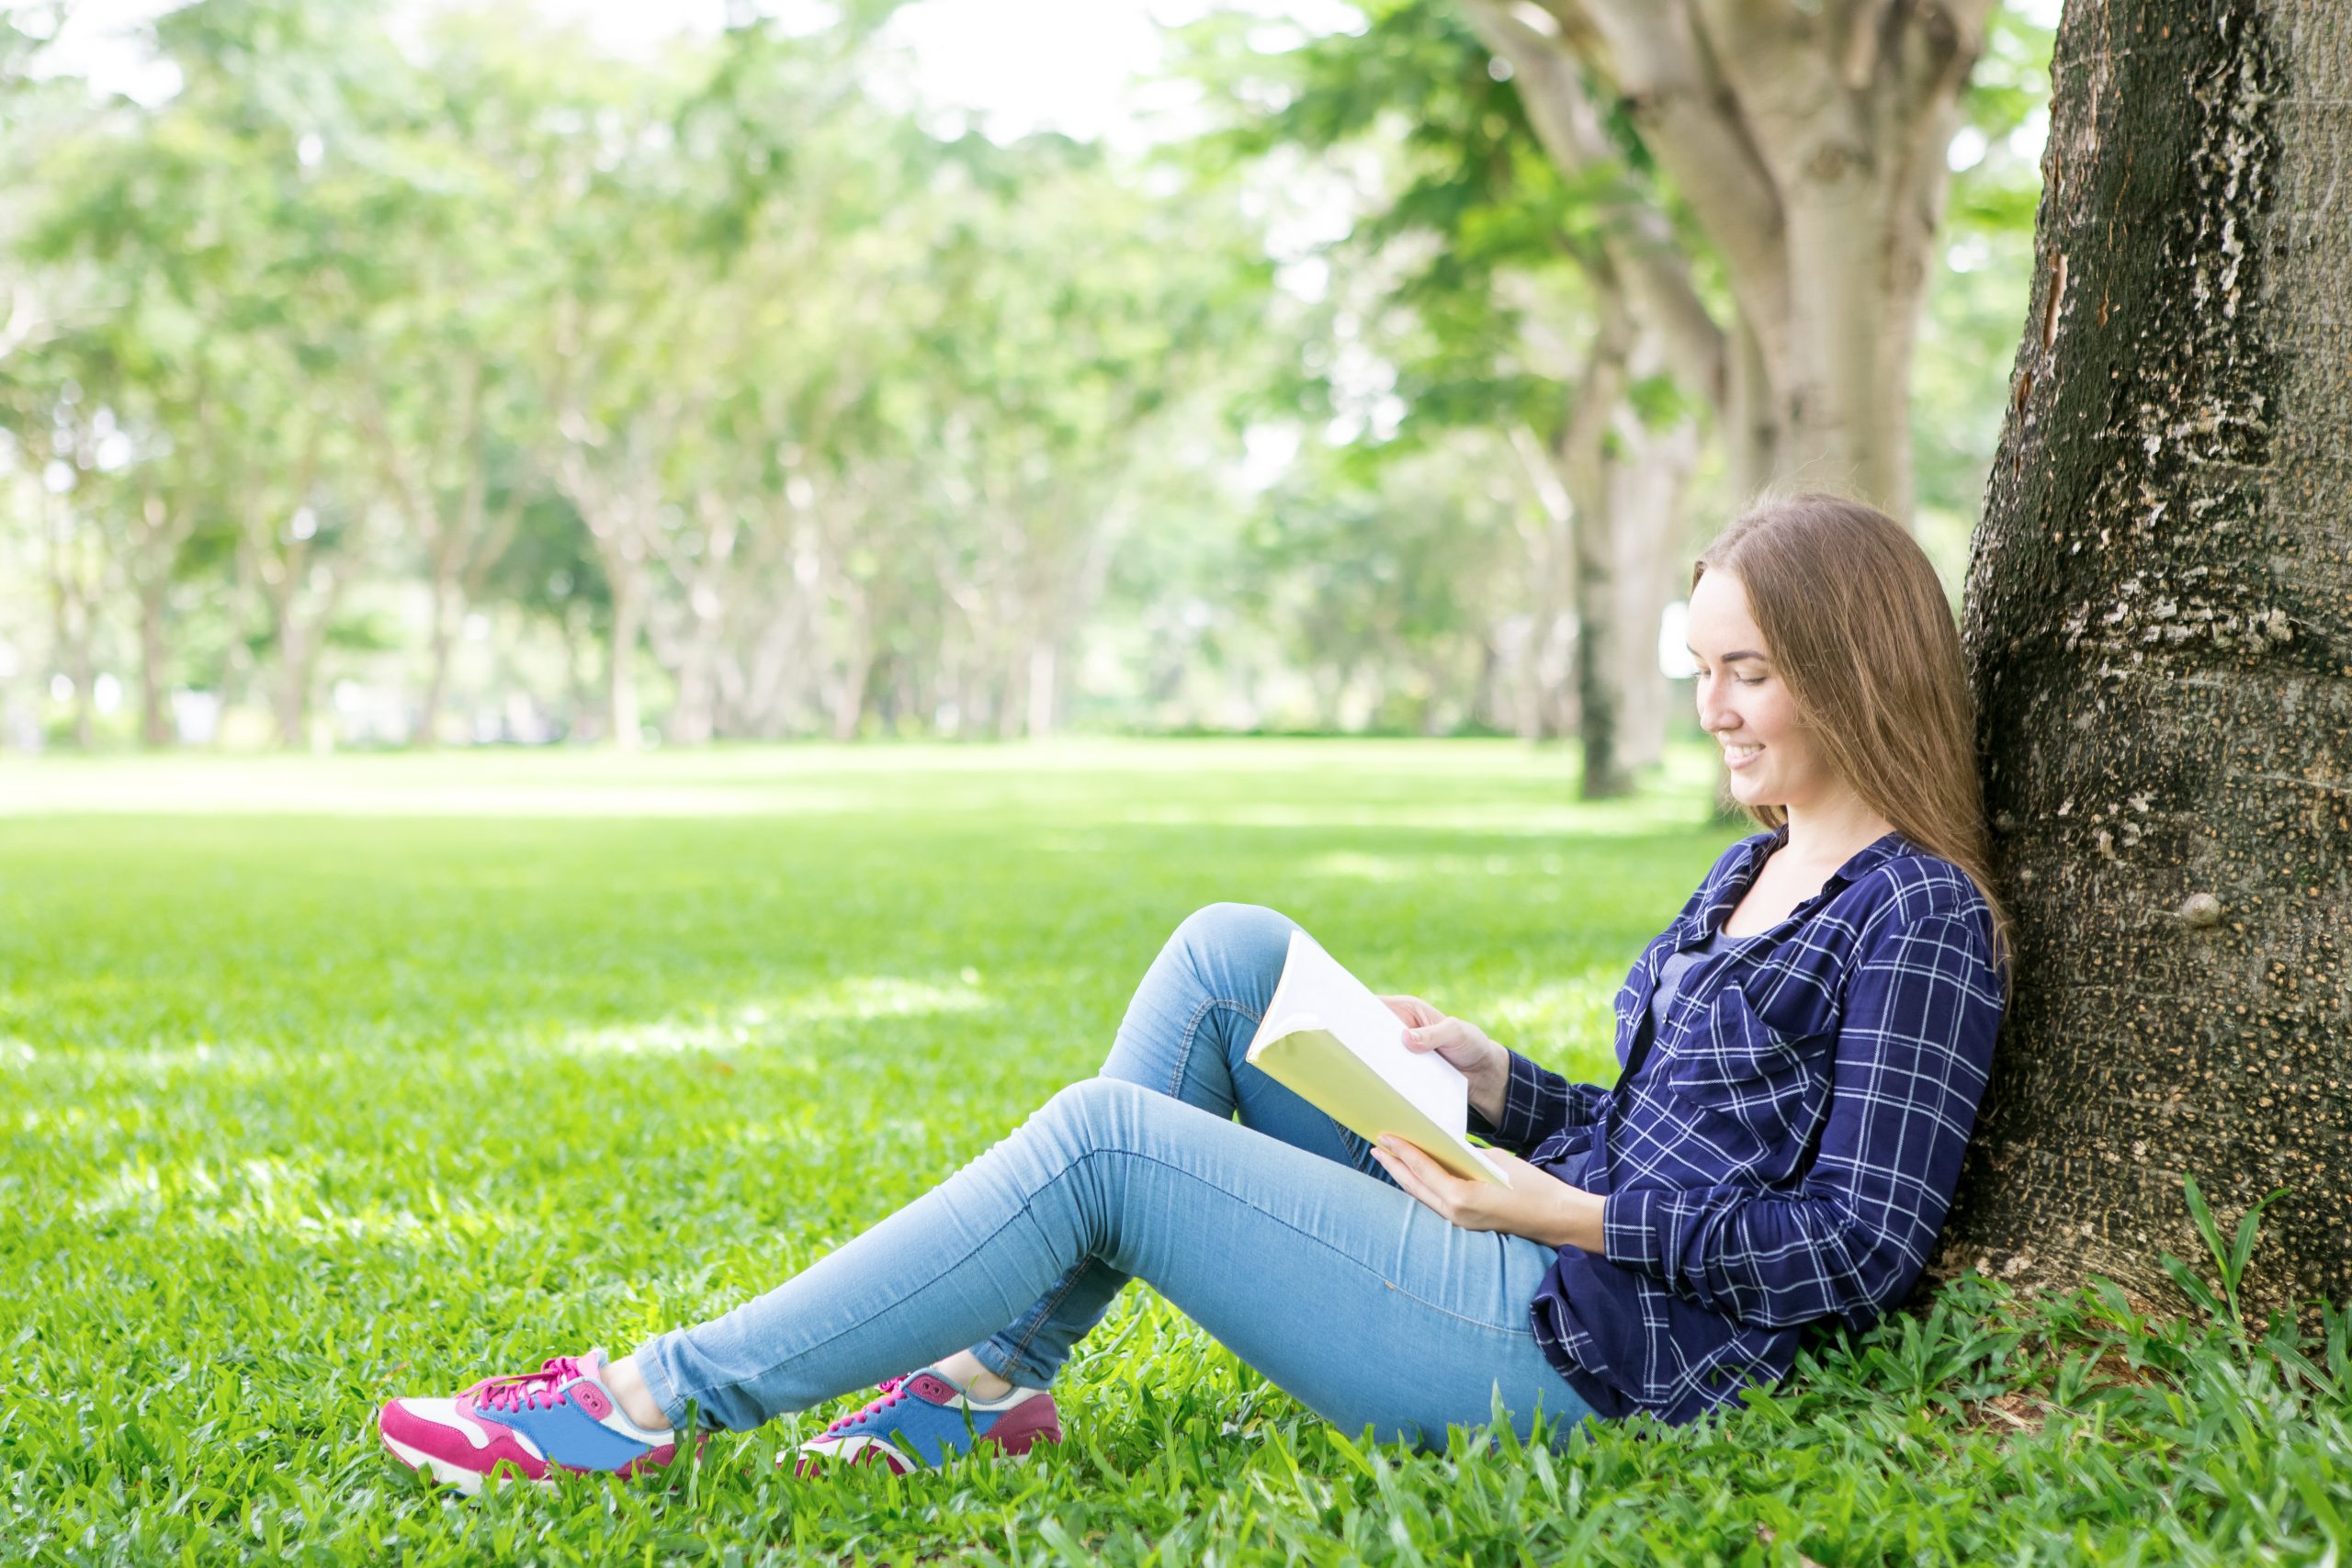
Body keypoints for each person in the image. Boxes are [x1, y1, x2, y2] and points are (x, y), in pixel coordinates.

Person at [377, 493, 2011, 1493]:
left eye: (1752, 672)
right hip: (1556, 1261)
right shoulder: (1751, 868)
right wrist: (1505, 1084)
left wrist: (1549, 1217)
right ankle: (992, 1388)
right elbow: (1671, 1135)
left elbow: (1862, 1247)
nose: (1715, 710)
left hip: (1596, 1363)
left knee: (1107, 1145)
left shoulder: (1920, 917)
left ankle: (648, 1401)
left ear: (1853, 672)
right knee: (1234, 948)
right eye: (1701, 666)